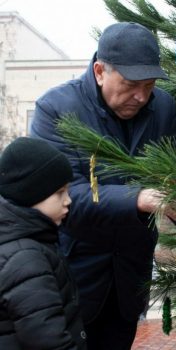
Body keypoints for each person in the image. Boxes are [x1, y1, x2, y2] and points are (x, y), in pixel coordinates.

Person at [30, 22, 176, 349]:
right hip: (71, 277)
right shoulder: (56, 109)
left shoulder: (161, 107)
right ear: (100, 71)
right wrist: (139, 198)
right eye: (132, 84)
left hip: (129, 279)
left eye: (149, 85)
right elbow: (61, 197)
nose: (141, 96)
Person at [0, 137, 87, 350]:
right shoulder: (25, 258)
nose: (68, 200)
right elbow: (48, 340)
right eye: (59, 193)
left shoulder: (31, 241)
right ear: (31, 195)